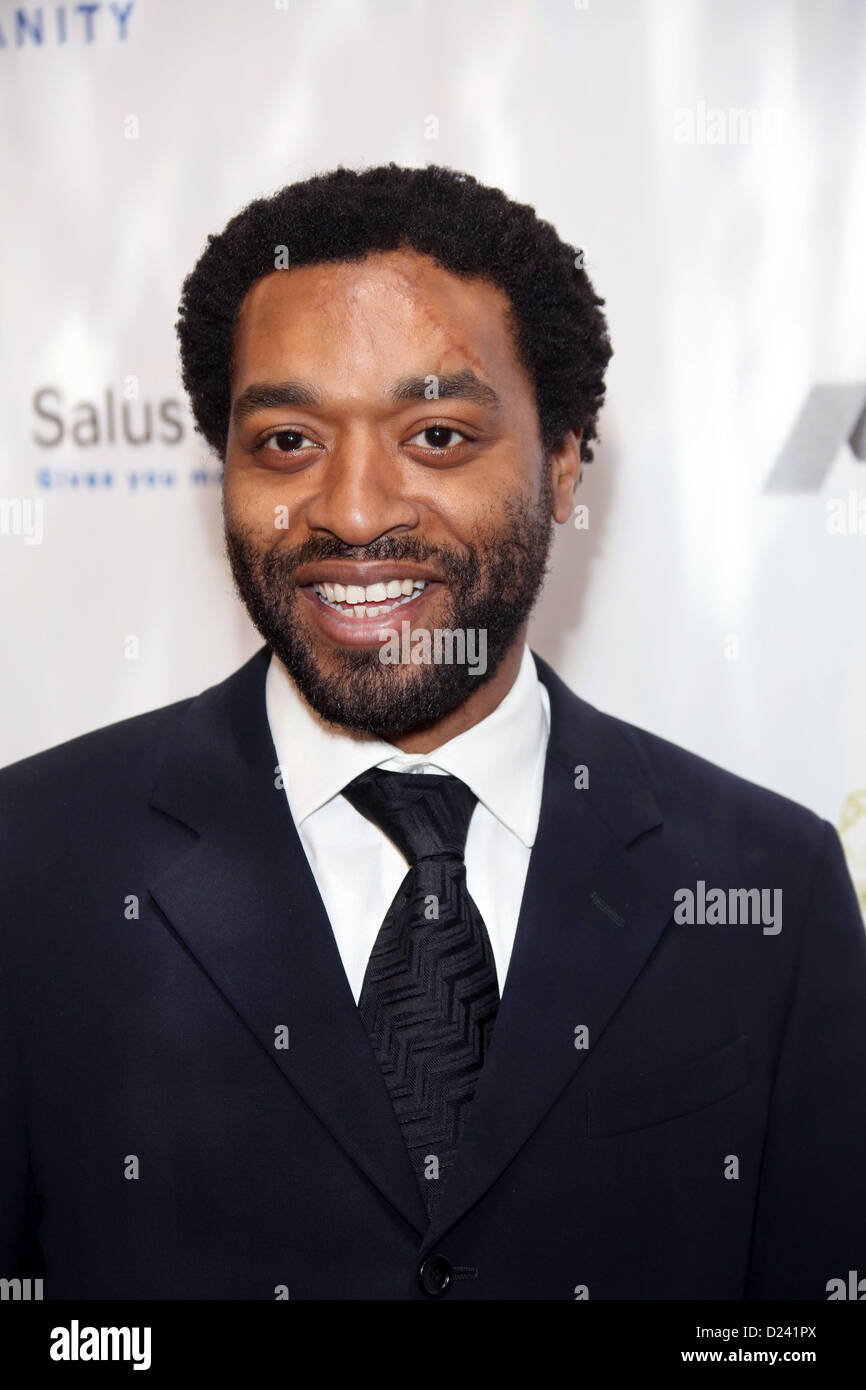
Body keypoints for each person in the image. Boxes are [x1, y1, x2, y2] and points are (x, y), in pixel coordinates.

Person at [2, 164, 865, 1301]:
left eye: (438, 435)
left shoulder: (767, 881)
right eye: (288, 442)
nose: (355, 512)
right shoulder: (32, 862)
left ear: (560, 462)